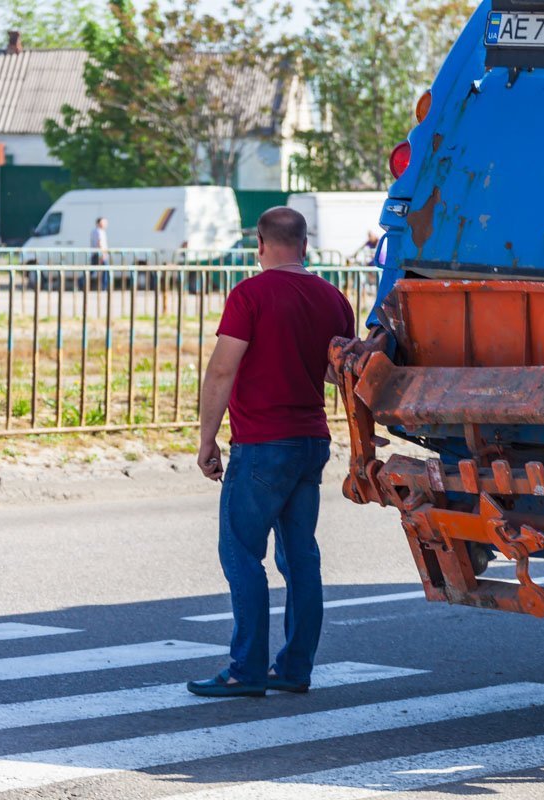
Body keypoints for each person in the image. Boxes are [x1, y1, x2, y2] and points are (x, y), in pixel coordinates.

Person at [189, 206, 355, 698]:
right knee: (301, 557)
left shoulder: (250, 294)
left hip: (263, 443)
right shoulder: (334, 299)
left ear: (260, 244)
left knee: (241, 553)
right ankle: (295, 668)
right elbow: (336, 372)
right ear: (304, 244)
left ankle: (245, 669)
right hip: (312, 442)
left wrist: (206, 439)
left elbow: (222, 371)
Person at [90, 217, 109, 287]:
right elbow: (99, 243)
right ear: (99, 223)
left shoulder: (95, 231)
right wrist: (103, 254)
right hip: (100, 254)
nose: (106, 224)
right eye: (104, 222)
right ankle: (104, 286)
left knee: (92, 271)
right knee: (105, 270)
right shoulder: (99, 232)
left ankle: (81, 282)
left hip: (96, 254)